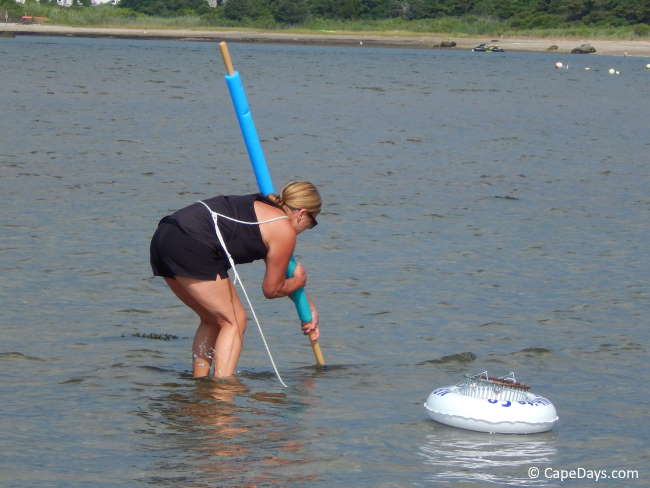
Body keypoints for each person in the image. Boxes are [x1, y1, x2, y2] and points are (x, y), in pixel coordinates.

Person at [150, 181, 321, 378]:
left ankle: (200, 384)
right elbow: (271, 289)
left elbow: (280, 278)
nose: (307, 229)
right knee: (235, 321)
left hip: (166, 235)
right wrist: (300, 280)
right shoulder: (284, 230)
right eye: (312, 222)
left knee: (212, 319)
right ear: (302, 213)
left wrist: (308, 308)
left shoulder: (263, 206)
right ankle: (222, 391)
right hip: (193, 242)